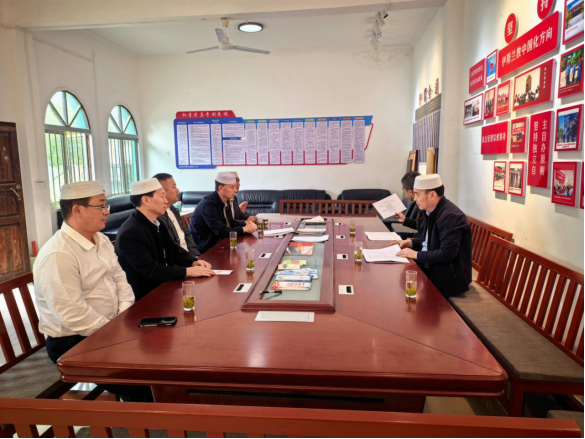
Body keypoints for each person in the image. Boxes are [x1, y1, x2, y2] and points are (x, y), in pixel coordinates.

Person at [33, 181, 153, 402]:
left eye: (106, 205)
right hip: (74, 341)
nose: (107, 211)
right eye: (101, 206)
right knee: (143, 381)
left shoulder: (101, 240)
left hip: (111, 328)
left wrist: (122, 318)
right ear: (77, 210)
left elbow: (121, 281)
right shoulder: (59, 254)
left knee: (158, 353)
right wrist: (117, 332)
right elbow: (73, 315)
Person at [116, 178, 214, 301]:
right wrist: (188, 271)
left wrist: (193, 262)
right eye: (162, 196)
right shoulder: (130, 233)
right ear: (146, 200)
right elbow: (151, 270)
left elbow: (173, 249)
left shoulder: (158, 223)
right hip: (145, 297)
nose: (166, 201)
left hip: (165, 286)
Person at [393, 174, 472, 298]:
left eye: (417, 194)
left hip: (447, 276)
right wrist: (411, 243)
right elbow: (430, 242)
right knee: (395, 278)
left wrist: (415, 254)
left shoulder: (450, 216)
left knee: (400, 290)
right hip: (430, 265)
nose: (414, 198)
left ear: (432, 195)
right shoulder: (429, 211)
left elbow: (447, 253)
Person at [189, 172, 258, 254]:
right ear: (221, 188)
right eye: (232, 187)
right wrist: (244, 229)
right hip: (205, 248)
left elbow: (230, 222)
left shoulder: (226, 201)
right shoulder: (209, 205)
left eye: (235, 187)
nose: (235, 190)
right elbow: (221, 231)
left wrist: (247, 223)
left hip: (219, 243)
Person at [153, 173, 201, 258]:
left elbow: (186, 234)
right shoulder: (157, 217)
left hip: (188, 258)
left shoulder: (173, 209)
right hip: (178, 262)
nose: (177, 190)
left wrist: (195, 256)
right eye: (174, 187)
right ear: (162, 191)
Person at [394, 171, 421, 238]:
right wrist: (405, 220)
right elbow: (421, 225)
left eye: (403, 189)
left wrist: (412, 241)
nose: (416, 199)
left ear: (410, 192)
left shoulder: (424, 206)